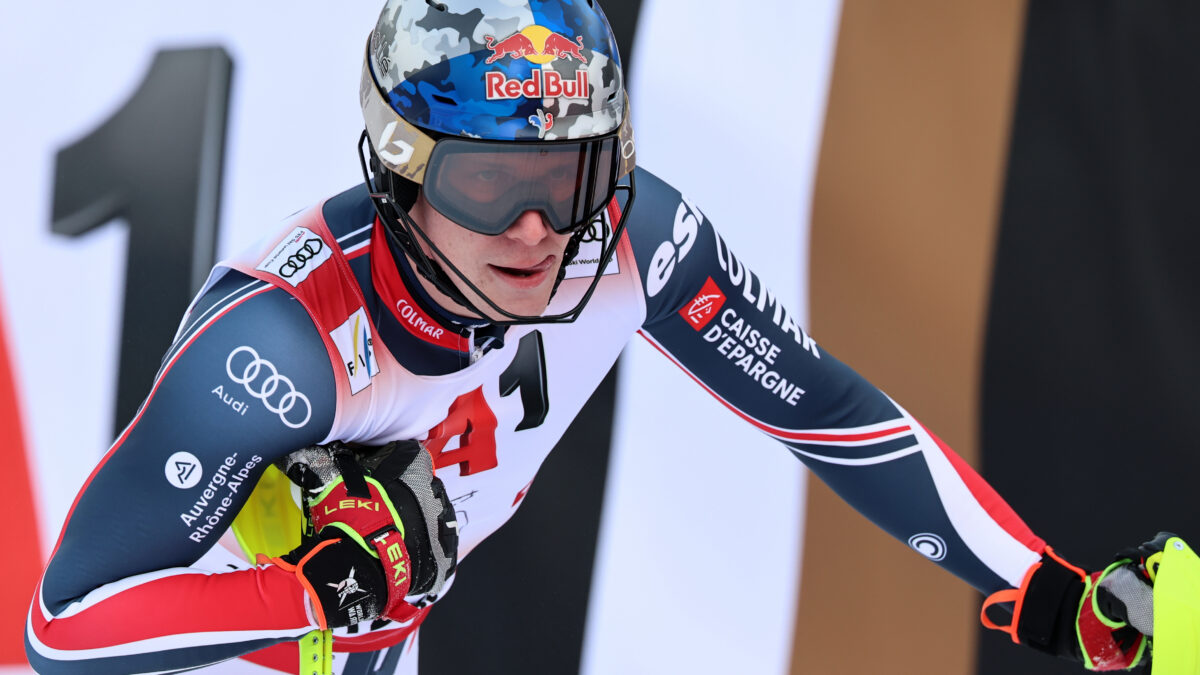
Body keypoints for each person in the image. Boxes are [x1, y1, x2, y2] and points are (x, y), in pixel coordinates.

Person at [23, 0, 1170, 673]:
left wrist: (1051, 588)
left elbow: (820, 412)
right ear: (402, 173)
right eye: (486, 183)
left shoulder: (634, 239)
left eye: (565, 176)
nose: (533, 228)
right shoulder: (280, 348)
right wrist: (318, 596)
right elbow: (62, 633)